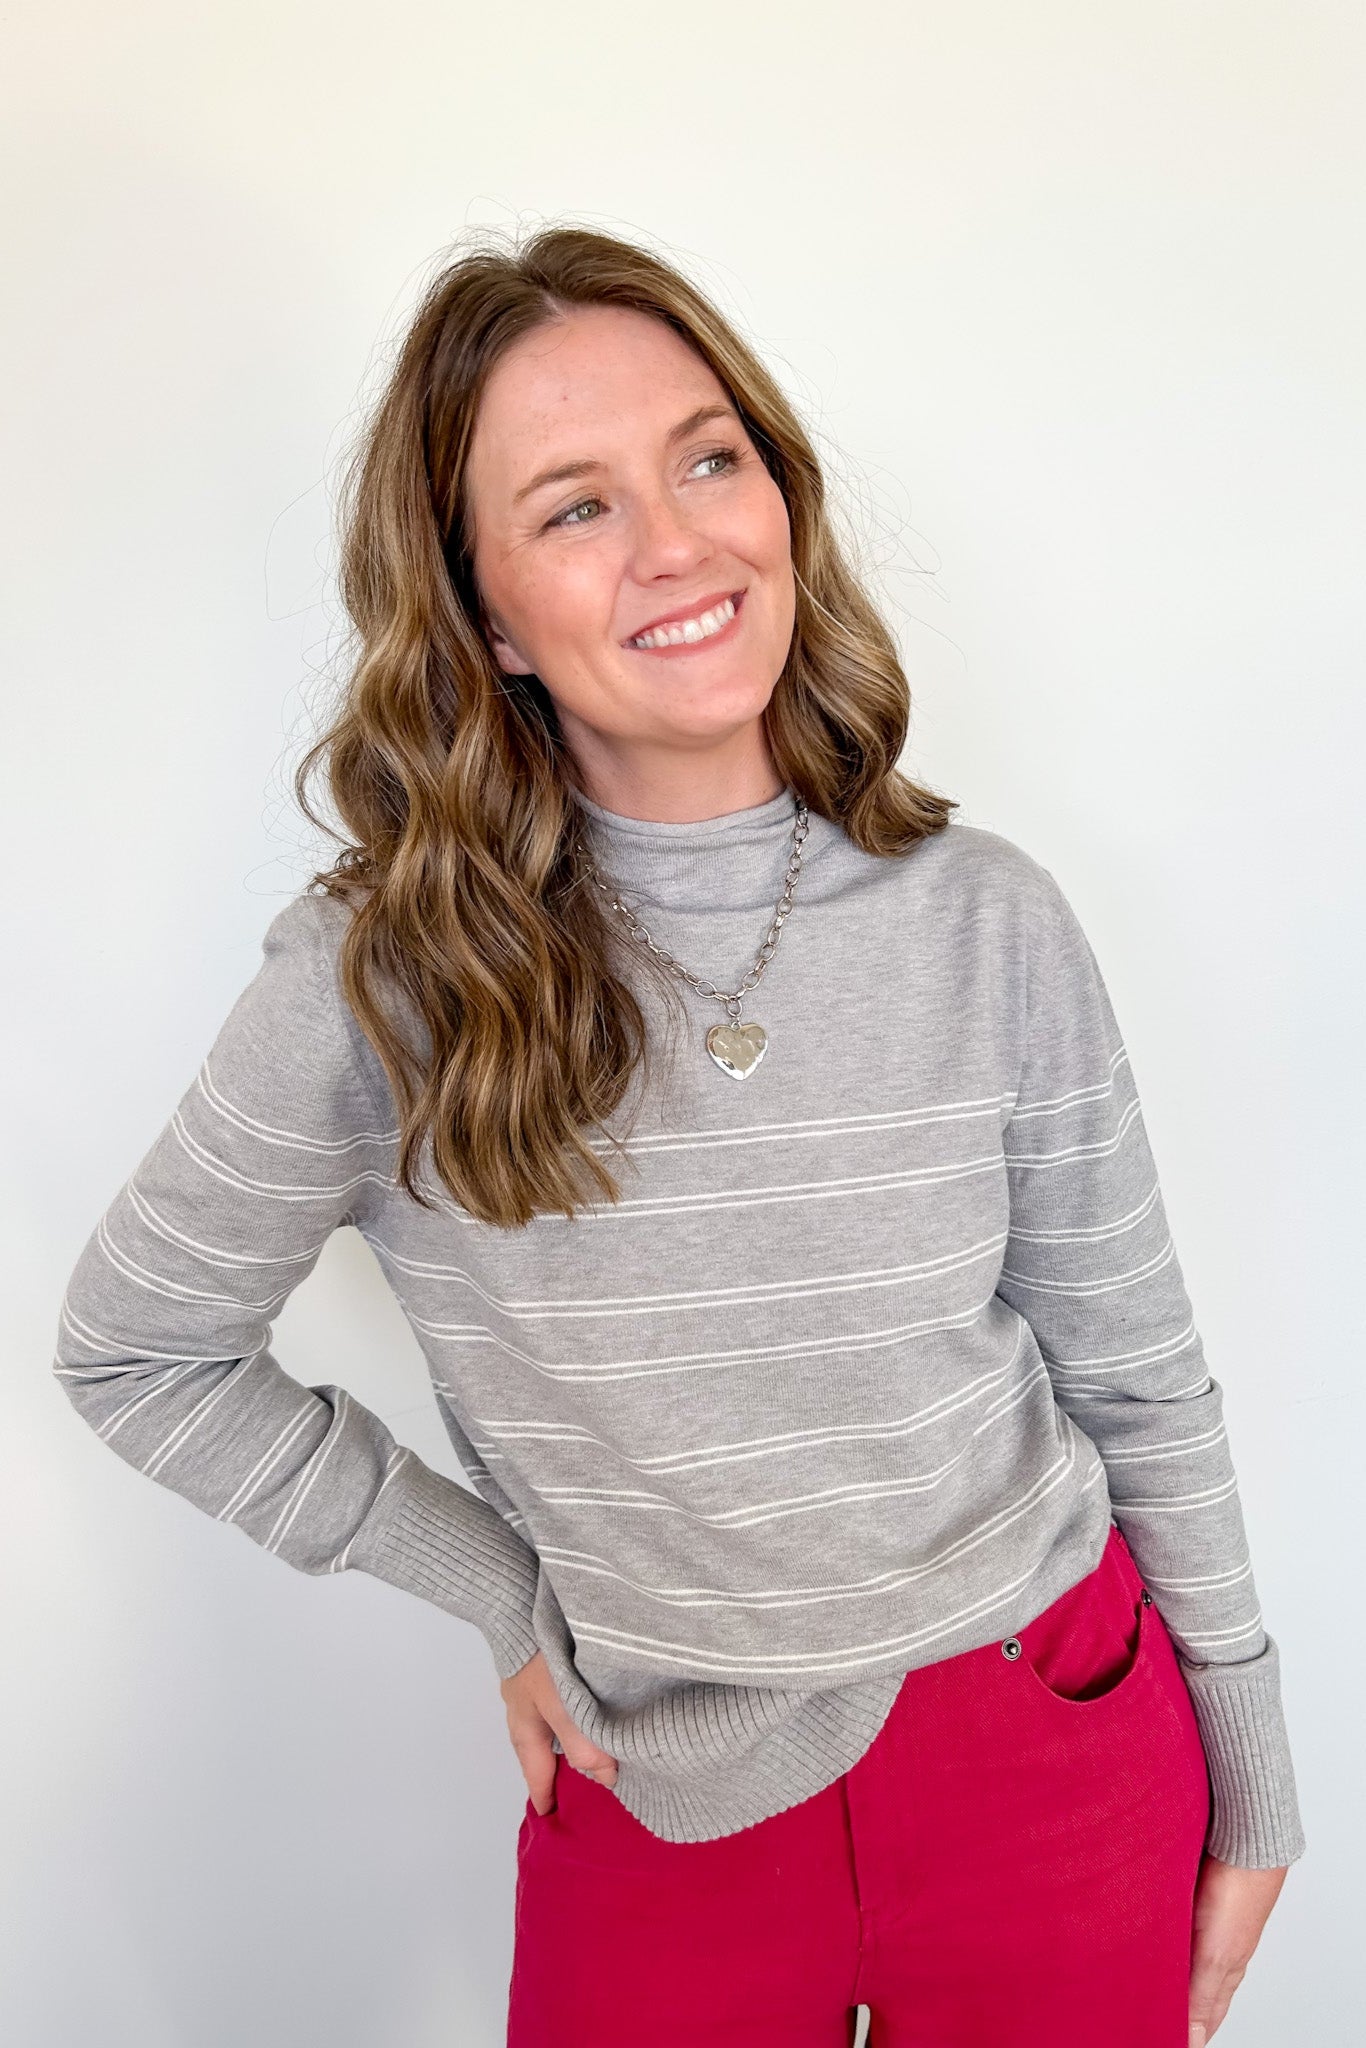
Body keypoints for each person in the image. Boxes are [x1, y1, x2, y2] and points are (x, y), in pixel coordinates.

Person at [52, 224, 1305, 2047]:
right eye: (572, 507)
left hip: (1052, 1733)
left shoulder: (985, 919)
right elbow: (138, 1350)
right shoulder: (384, 978)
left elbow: (1136, 1374)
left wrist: (1253, 1764)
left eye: (707, 458)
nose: (675, 545)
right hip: (664, 1789)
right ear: (484, 612)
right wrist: (490, 1583)